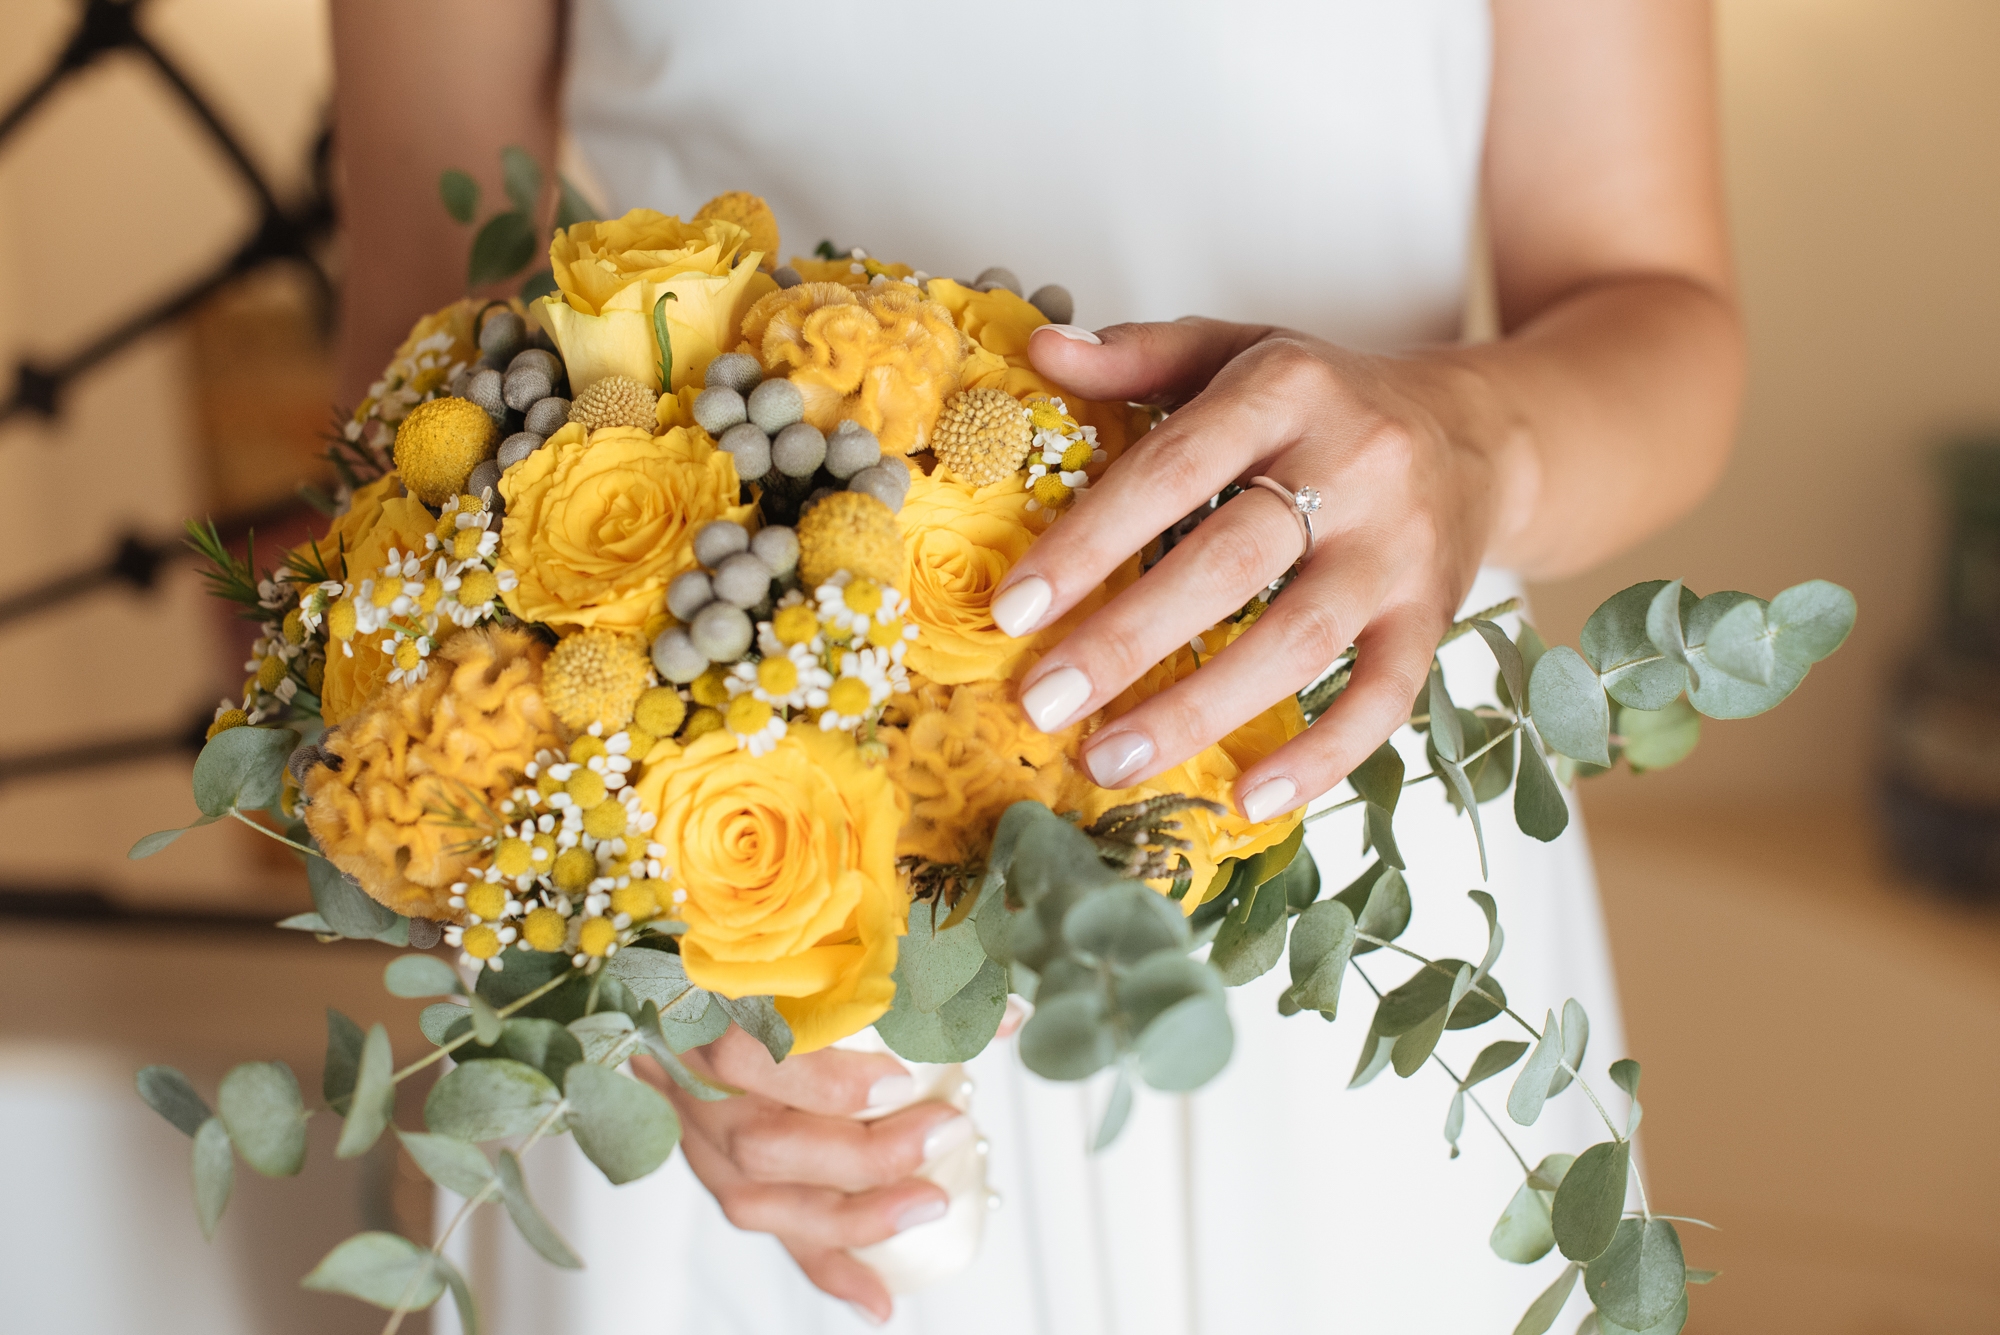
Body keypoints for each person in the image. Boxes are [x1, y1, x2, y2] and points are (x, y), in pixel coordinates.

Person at [331, 2, 1739, 1330]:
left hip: (1342, 886)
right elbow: (428, 367)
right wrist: (631, 969)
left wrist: (1465, 442)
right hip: (745, 904)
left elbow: (1659, 309)